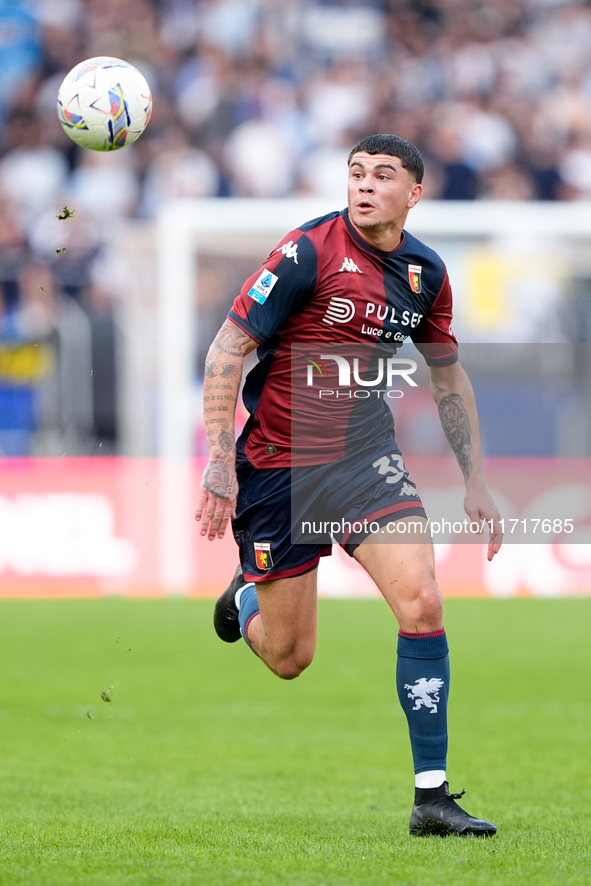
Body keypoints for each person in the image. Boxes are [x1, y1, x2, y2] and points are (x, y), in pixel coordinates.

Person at [196, 133, 503, 837]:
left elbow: (445, 372)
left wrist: (474, 478)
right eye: (355, 173)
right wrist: (219, 458)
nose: (363, 185)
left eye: (381, 175)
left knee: (422, 601)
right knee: (289, 658)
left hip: (364, 460)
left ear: (413, 194)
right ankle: (247, 594)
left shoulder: (425, 273)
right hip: (279, 466)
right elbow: (228, 348)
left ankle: (432, 797)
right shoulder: (307, 251)